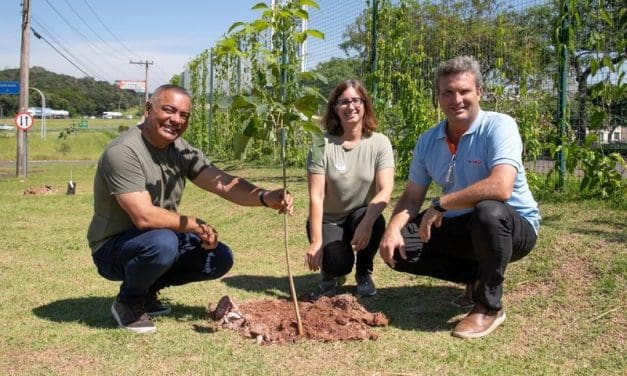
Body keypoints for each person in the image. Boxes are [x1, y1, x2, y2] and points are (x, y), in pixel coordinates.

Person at [87, 84, 293, 334]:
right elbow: (143, 216)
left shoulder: (180, 150)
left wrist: (265, 196)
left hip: (157, 238)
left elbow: (222, 183)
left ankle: (147, 291)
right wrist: (195, 224)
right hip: (113, 248)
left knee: (218, 257)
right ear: (148, 109)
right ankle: (128, 303)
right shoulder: (124, 152)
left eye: (184, 115)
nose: (176, 120)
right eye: (169, 110)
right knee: (162, 243)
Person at [379, 56, 540, 339]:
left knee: (488, 211)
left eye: (464, 91)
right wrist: (392, 230)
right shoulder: (428, 140)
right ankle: (475, 277)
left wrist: (442, 203)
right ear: (438, 98)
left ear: (479, 91)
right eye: (447, 92)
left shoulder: (499, 126)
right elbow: (412, 197)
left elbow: (501, 187)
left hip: (512, 227)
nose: (457, 99)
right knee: (403, 248)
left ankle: (489, 306)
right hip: (463, 224)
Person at [305, 79, 394, 297]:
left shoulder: (379, 143)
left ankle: (364, 272)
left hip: (360, 214)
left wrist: (366, 224)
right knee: (338, 265)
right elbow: (316, 196)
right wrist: (317, 242)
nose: (350, 107)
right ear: (335, 108)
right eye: (343, 102)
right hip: (329, 218)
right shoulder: (320, 144)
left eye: (356, 100)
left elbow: (385, 190)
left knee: (375, 219)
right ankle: (329, 269)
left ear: (365, 105)